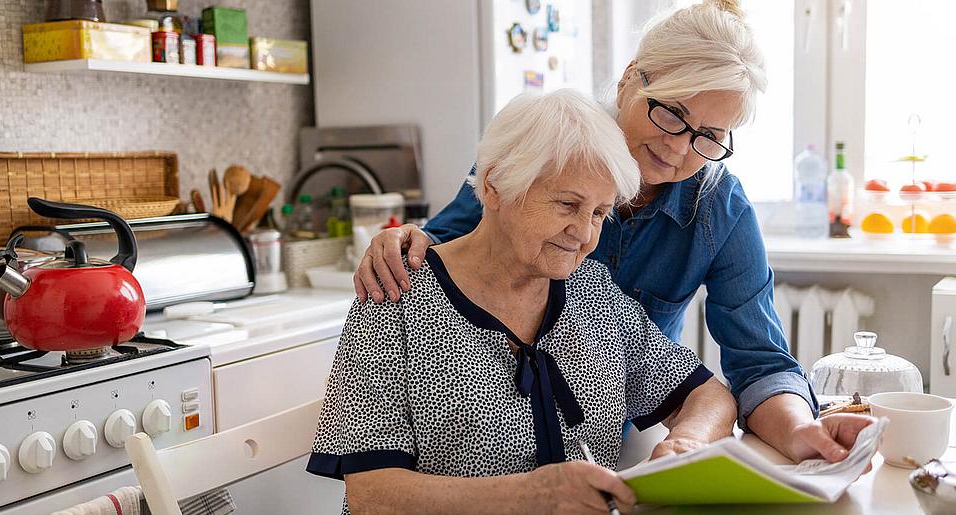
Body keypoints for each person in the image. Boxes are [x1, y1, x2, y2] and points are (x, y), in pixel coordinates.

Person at [353, 0, 875, 465]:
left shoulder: (719, 208)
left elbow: (758, 360)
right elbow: (444, 249)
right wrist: (403, 239)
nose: (679, 149)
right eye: (673, 113)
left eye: (709, 137)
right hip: (494, 440)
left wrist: (801, 430)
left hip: (620, 434)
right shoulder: (547, 147)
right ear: (631, 79)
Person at [308, 90, 737, 515]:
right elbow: (374, 500)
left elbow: (709, 396)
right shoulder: (397, 295)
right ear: (493, 185)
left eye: (599, 212)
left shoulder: (594, 294)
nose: (584, 233)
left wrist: (686, 443)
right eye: (567, 205)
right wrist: (535, 499)